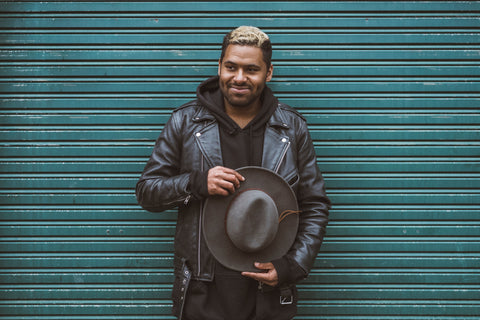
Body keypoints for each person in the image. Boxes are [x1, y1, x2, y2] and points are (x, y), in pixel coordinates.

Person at [136, 26, 330, 320]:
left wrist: (292, 266)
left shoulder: (291, 129)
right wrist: (196, 182)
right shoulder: (185, 123)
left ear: (269, 73)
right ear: (219, 67)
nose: (239, 78)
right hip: (203, 294)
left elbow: (314, 204)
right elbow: (148, 192)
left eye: (251, 69)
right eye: (231, 67)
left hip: (268, 296)